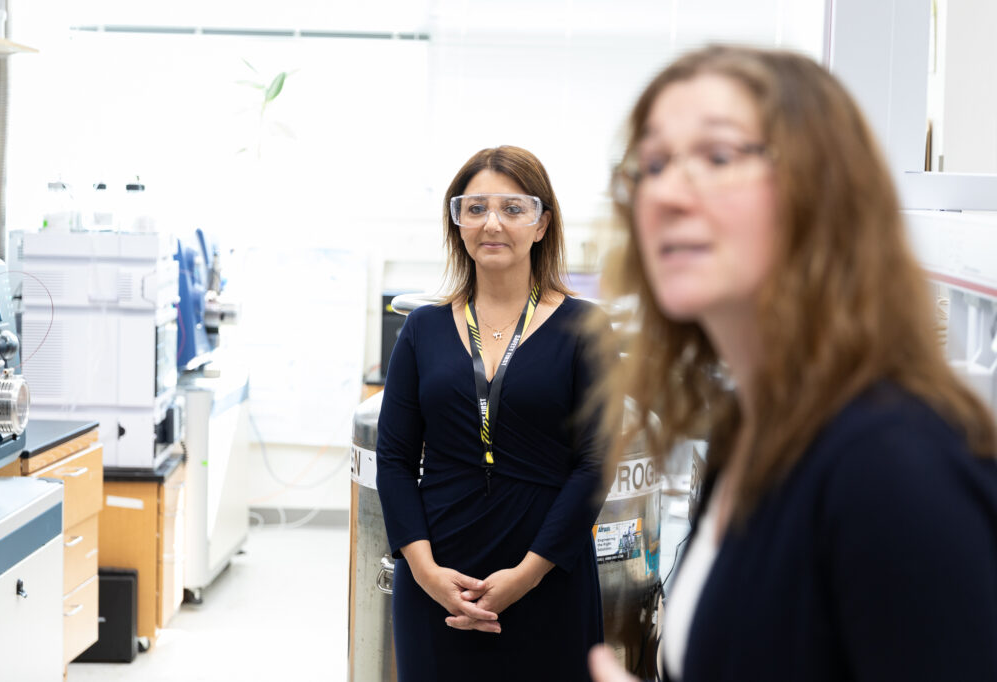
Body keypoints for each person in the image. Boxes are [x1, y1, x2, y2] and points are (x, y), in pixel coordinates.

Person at [588, 45, 997, 682]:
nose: (667, 192)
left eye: (719, 156)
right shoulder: (744, 434)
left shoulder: (895, 464)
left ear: (822, 193)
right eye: (653, 164)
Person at [376, 145, 607, 681]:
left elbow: (595, 464)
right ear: (457, 223)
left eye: (512, 207)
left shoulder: (583, 329)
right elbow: (394, 457)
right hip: (439, 578)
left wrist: (524, 577)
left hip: (547, 571)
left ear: (542, 223)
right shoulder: (423, 330)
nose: (492, 223)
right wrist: (426, 572)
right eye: (475, 207)